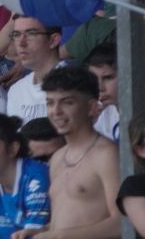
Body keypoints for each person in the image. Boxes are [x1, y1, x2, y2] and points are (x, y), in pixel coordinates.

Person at [42, 67, 121, 239]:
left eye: (67, 102)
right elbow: (66, 220)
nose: (56, 111)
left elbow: (122, 222)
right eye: (50, 103)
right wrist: (41, 232)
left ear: (91, 107)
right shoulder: (57, 158)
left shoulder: (107, 155)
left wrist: (59, 237)